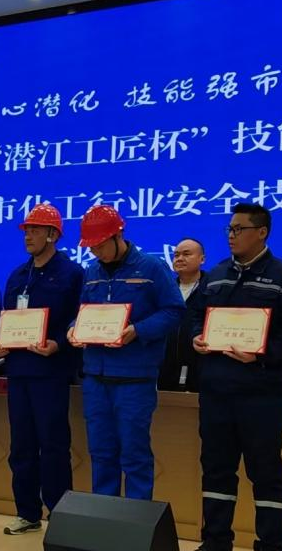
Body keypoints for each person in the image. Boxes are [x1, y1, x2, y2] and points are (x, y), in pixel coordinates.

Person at [181, 203, 282, 551]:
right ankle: (216, 545)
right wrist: (197, 337)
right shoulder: (216, 275)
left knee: (266, 472)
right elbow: (195, 315)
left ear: (262, 232)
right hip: (216, 391)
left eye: (239, 229)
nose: (231, 235)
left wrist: (263, 352)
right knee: (216, 469)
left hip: (261, 393)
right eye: (229, 228)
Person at [68, 205, 184, 500]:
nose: (95, 252)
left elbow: (174, 311)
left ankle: (135, 521)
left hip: (134, 378)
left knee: (134, 455)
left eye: (100, 245)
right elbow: (83, 313)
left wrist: (138, 330)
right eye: (91, 247)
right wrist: (73, 329)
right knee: (101, 453)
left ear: (118, 235)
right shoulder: (91, 272)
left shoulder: (152, 268)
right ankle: (104, 518)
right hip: (95, 378)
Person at [0, 204, 83, 535]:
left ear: (53, 234)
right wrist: (0, 343)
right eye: (26, 230)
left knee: (54, 445)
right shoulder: (18, 275)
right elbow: (8, 319)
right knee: (21, 446)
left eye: (35, 230)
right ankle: (27, 512)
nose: (28, 235)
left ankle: (60, 515)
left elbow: (79, 319)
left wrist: (58, 344)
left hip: (51, 371)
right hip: (18, 371)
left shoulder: (72, 273)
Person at [159, 238, 209, 392]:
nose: (179, 259)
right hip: (166, 367)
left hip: (201, 365)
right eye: (176, 255)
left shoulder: (212, 289)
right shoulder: (165, 289)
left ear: (202, 259)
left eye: (186, 254)